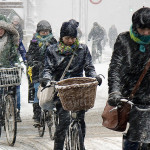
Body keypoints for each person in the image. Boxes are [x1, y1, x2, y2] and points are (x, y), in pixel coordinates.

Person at [41, 19, 102, 150]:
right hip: (61, 90)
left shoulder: (82, 49)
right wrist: (46, 78)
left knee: (80, 120)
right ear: (61, 37)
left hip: (79, 91)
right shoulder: (52, 50)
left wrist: (94, 76)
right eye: (67, 38)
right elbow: (48, 69)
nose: (70, 41)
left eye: (73, 38)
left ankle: (80, 144)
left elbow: (89, 67)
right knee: (63, 122)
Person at [108, 7, 150, 150]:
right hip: (131, 96)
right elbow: (115, 68)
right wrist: (114, 91)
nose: (146, 33)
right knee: (134, 137)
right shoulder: (124, 40)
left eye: (149, 29)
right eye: (142, 29)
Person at [26, 20, 57, 123]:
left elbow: (57, 54)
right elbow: (29, 54)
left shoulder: (53, 42)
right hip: (37, 70)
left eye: (46, 31)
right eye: (42, 31)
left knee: (50, 90)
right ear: (38, 32)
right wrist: (31, 62)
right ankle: (37, 114)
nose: (44, 33)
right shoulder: (34, 42)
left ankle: (49, 111)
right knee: (37, 92)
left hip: (49, 70)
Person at [0, 14, 21, 121]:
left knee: (12, 89)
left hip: (7, 70)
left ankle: (14, 109)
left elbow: (15, 55)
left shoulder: (10, 41)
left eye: (1, 28)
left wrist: (17, 63)